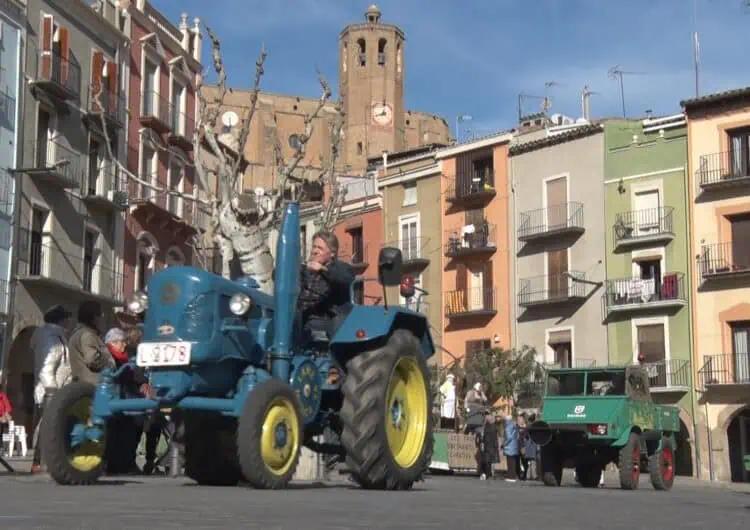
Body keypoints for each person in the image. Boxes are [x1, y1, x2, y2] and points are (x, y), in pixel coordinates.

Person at [29, 304, 74, 473]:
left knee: (48, 425)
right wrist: (52, 391)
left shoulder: (57, 336)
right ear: (62, 319)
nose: (71, 321)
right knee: (47, 426)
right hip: (51, 390)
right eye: (68, 318)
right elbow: (47, 366)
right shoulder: (51, 337)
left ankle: (42, 462)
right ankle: (39, 462)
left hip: (56, 388)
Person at [297, 230, 355, 343]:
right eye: (313, 247)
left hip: (330, 320)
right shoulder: (305, 270)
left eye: (319, 248)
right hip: (303, 317)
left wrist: (322, 269)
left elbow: (345, 279)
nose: (314, 251)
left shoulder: (342, 268)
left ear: (332, 253)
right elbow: (281, 274)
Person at [68, 301, 115, 386]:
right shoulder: (87, 335)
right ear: (94, 318)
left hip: (85, 384)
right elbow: (92, 360)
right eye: (100, 314)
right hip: (91, 386)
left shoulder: (81, 333)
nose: (102, 317)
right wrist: (110, 365)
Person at [476, 412, 500, 480]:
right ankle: (487, 474)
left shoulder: (490, 427)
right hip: (488, 446)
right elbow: (481, 435)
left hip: (488, 446)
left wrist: (482, 441)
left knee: (487, 461)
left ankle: (487, 474)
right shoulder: (487, 426)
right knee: (487, 461)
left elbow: (486, 436)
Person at [502, 414, 520, 482]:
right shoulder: (514, 427)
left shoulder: (507, 427)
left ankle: (510, 477)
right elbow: (517, 436)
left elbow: (508, 437)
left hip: (509, 447)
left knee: (509, 463)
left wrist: (504, 444)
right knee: (513, 462)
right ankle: (513, 476)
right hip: (514, 446)